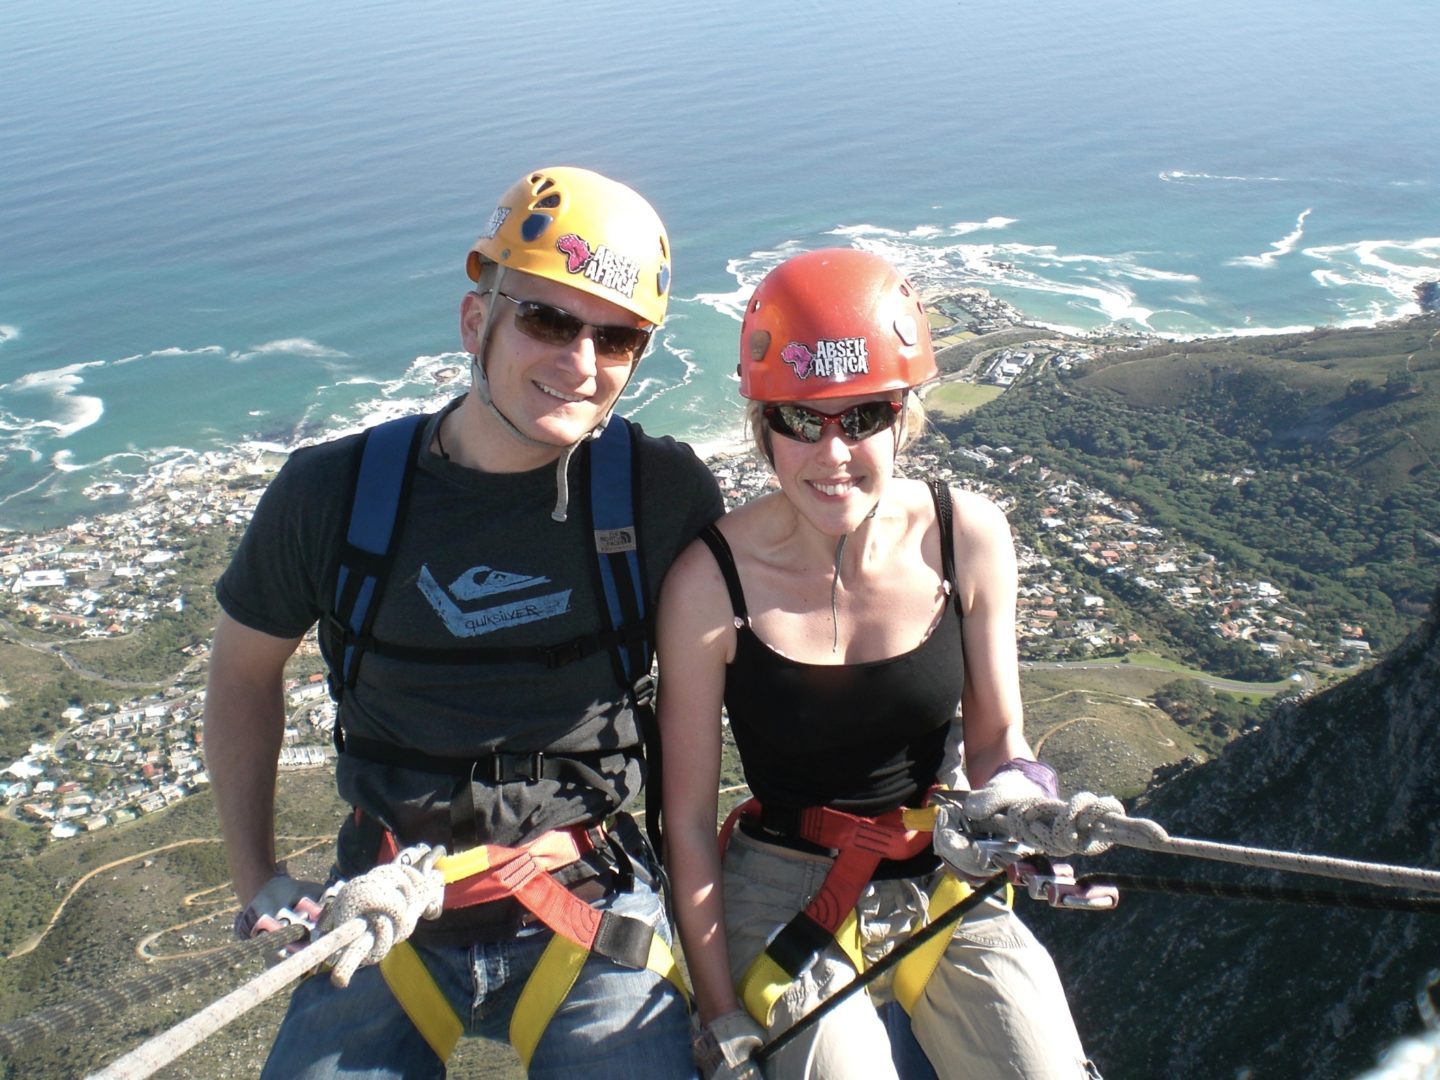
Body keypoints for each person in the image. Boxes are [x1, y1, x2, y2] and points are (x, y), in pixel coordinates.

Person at [204, 166, 723, 1079]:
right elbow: (243, 674)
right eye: (549, 321)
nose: (582, 362)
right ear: (476, 320)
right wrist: (259, 880)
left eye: (618, 338)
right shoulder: (334, 495)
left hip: (582, 890)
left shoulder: (660, 493)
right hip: (386, 899)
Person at [658, 248, 1099, 1079]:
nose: (833, 454)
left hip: (940, 866)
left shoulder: (966, 536)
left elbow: (999, 736)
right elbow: (685, 820)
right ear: (763, 426)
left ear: (904, 417)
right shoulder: (709, 587)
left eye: (862, 417)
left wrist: (1028, 807)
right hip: (781, 887)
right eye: (800, 419)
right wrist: (719, 1011)